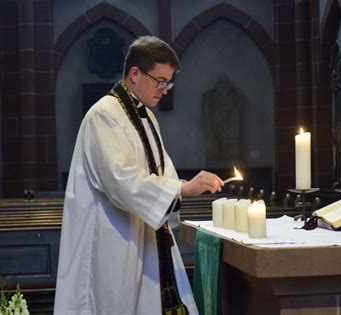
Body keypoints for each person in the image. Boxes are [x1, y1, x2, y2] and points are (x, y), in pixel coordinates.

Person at [54, 36, 224, 314]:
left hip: (144, 239)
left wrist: (184, 185)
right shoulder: (104, 116)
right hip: (114, 244)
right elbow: (121, 181)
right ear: (135, 74)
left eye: (168, 83)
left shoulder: (146, 117)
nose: (165, 90)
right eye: (160, 81)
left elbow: (161, 174)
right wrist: (182, 189)